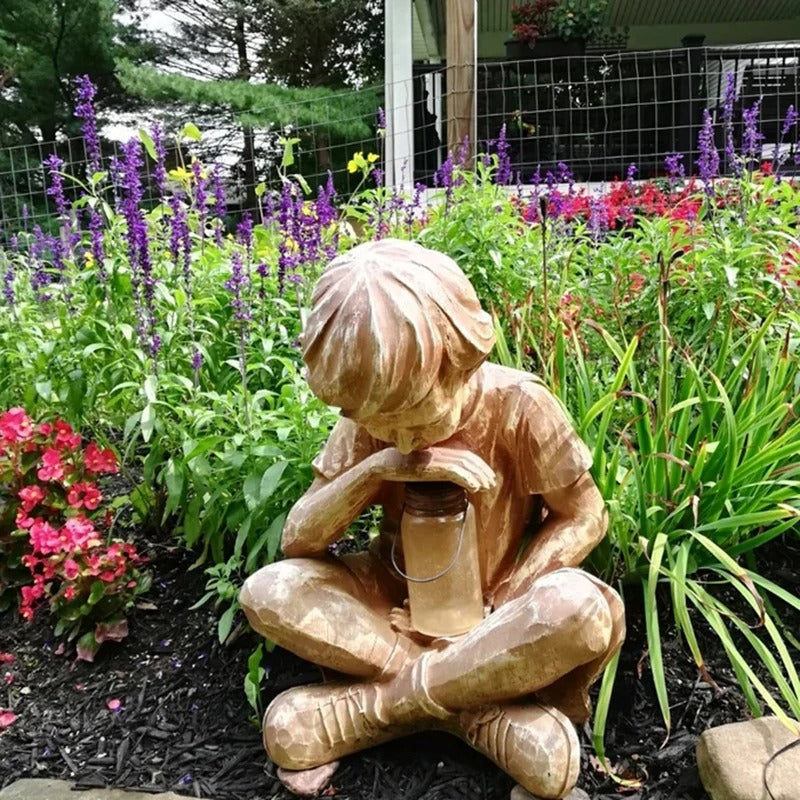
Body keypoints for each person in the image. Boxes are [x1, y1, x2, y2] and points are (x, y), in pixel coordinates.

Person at [240, 238, 625, 799]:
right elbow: (300, 539)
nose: (400, 436)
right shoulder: (374, 425)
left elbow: (586, 515)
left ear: (461, 361)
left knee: (582, 610)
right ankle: (471, 707)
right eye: (380, 422)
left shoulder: (520, 405)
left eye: (416, 419)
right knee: (270, 591)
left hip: (494, 614)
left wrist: (502, 603)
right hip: (390, 607)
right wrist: (378, 470)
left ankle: (382, 708)